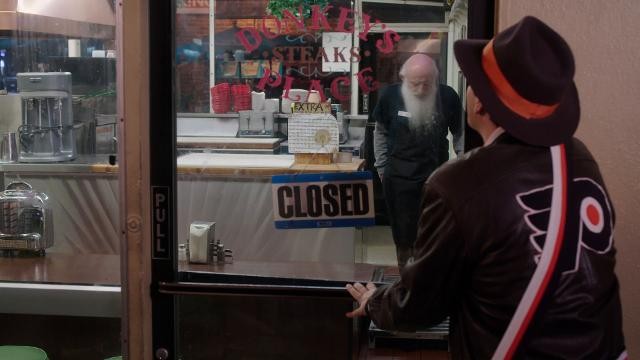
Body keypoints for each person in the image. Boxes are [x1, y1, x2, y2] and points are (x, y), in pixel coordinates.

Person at [347, 16, 626, 359]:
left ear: (479, 102)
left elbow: (417, 307)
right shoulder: (579, 157)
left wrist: (374, 301)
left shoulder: (459, 183)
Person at [372, 54, 462, 268]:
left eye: (427, 84)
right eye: (415, 84)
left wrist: (464, 167)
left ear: (435, 79)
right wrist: (382, 167)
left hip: (436, 178)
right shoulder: (389, 96)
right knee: (404, 238)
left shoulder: (448, 96)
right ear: (404, 79)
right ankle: (407, 281)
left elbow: (460, 134)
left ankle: (432, 282)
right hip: (398, 179)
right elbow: (380, 132)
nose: (421, 90)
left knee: (436, 235)